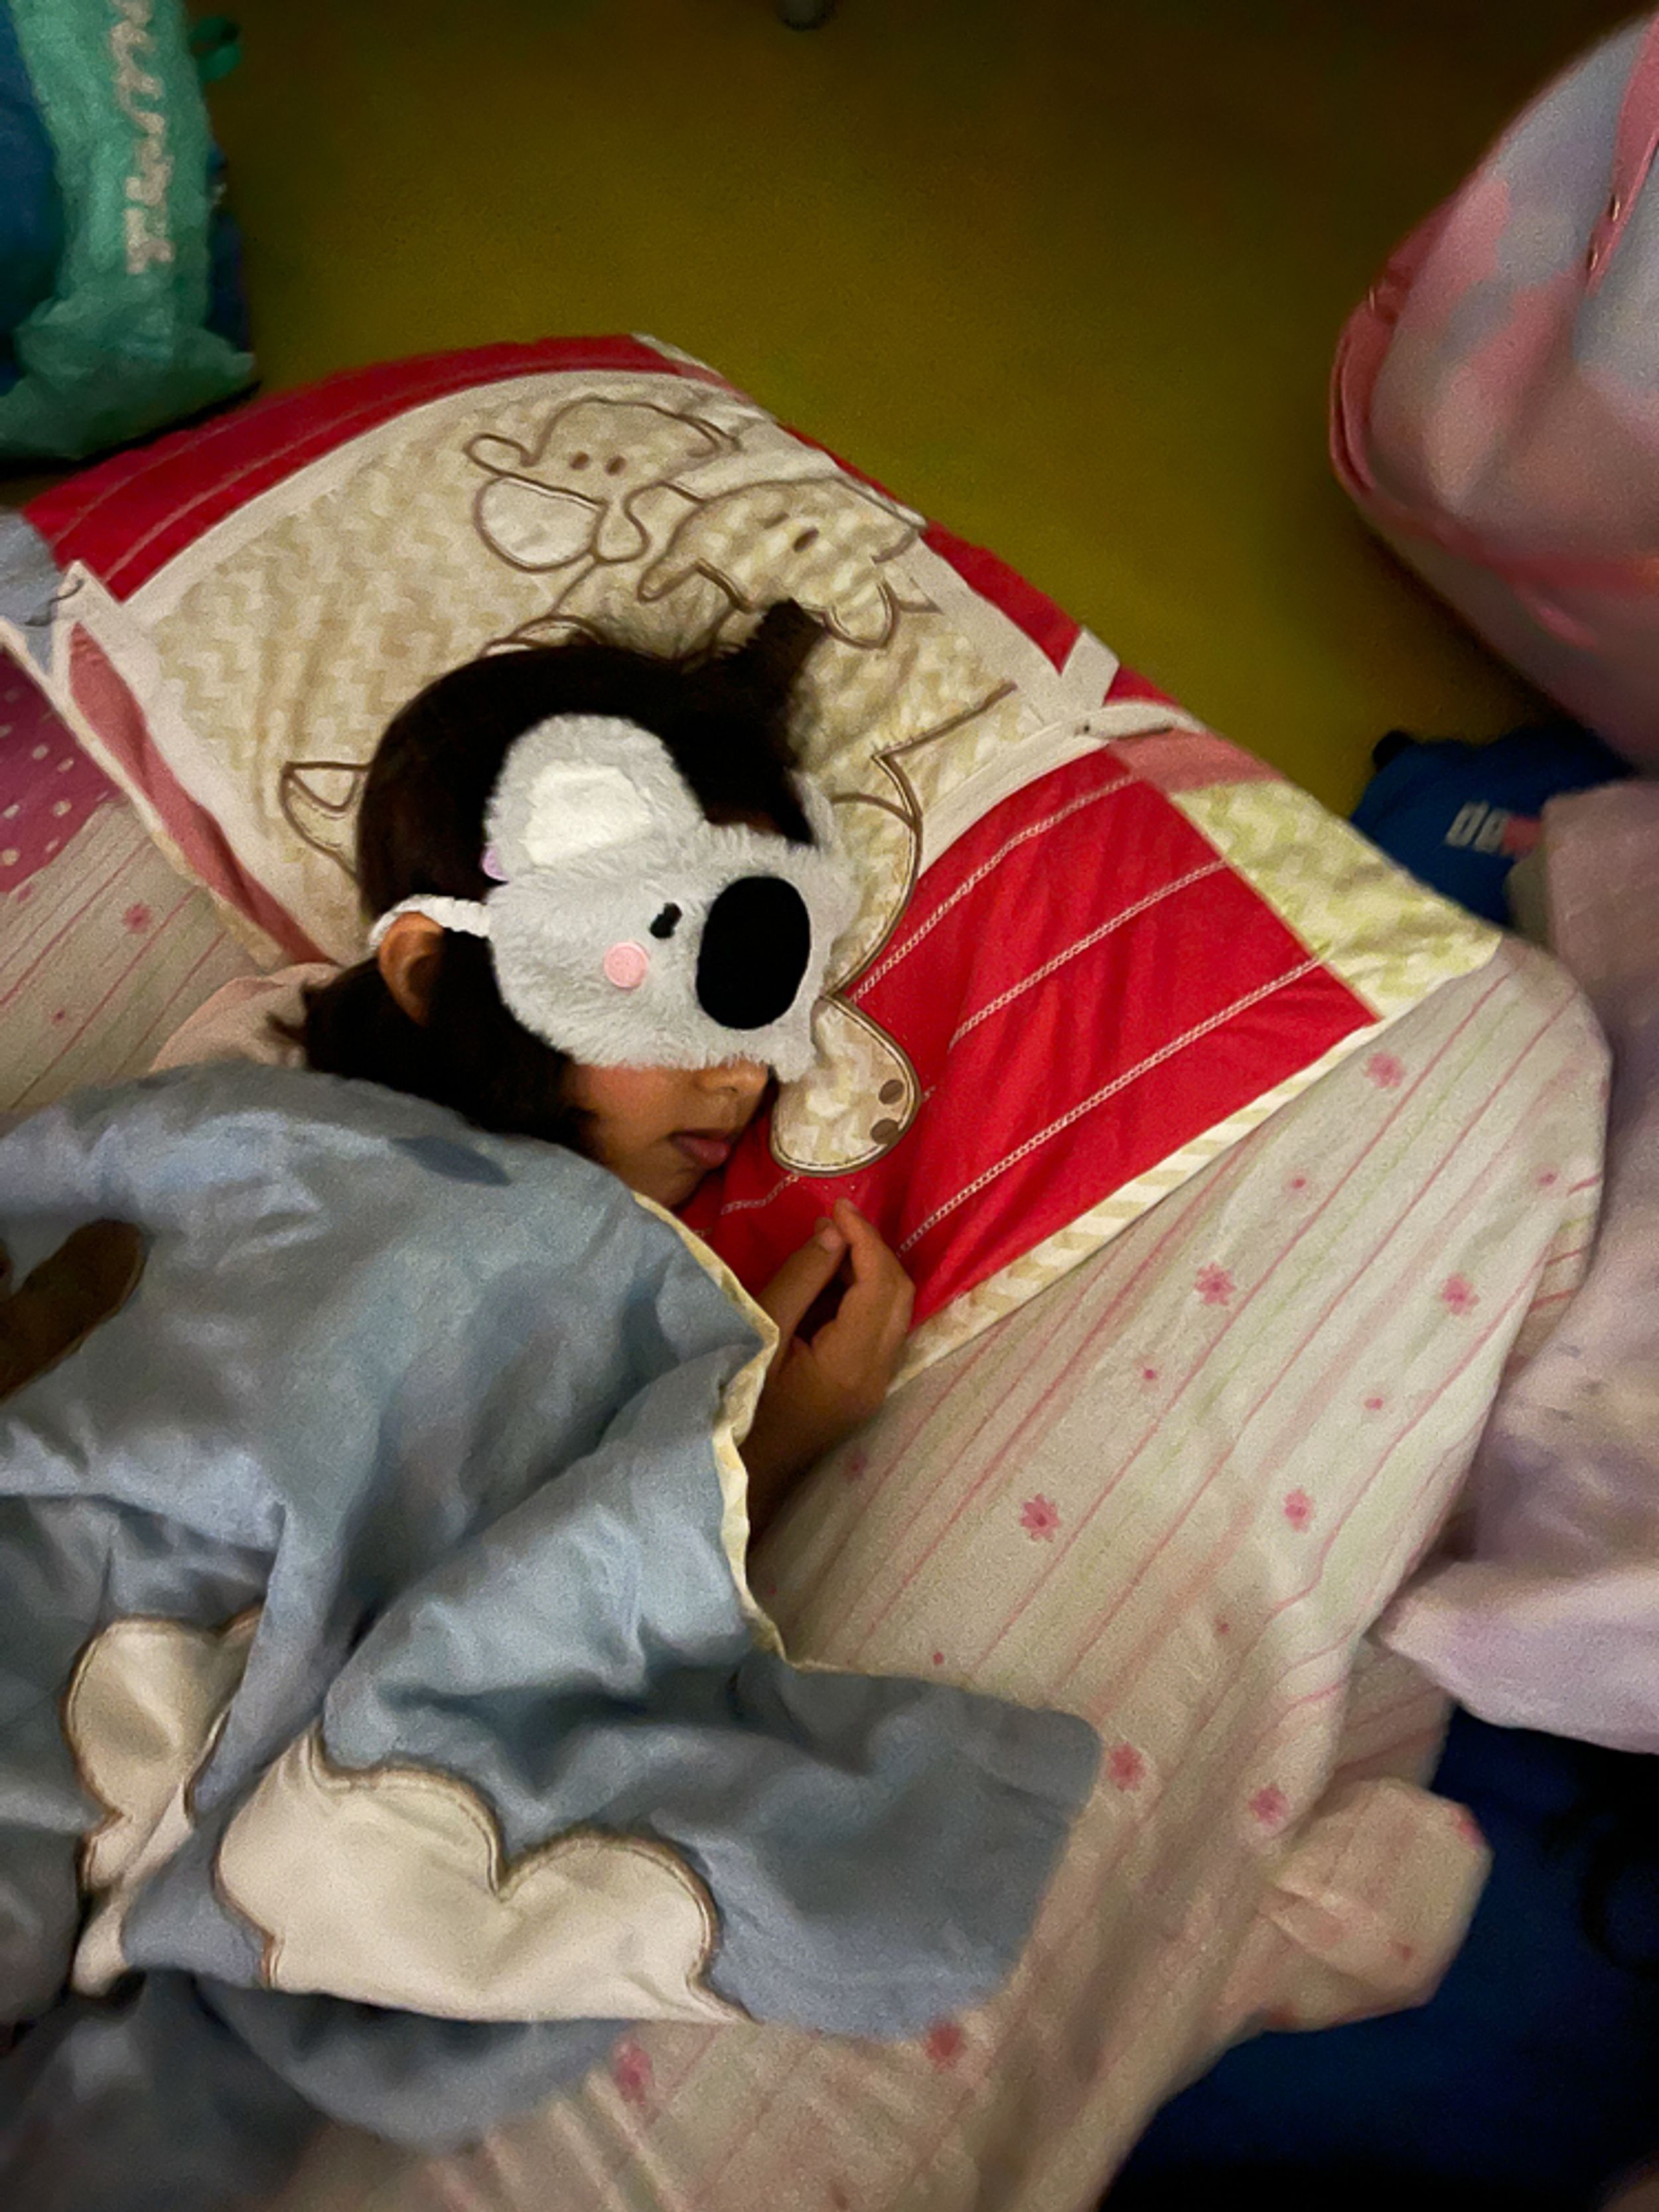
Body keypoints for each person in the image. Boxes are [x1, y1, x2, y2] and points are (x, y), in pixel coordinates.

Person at [159, 601, 912, 1529]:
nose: (745, 1078)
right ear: (430, 975)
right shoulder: (253, 1105)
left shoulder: (602, 1275)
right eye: (660, 995)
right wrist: (769, 1451)